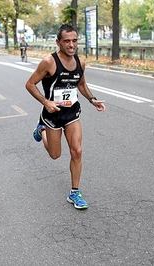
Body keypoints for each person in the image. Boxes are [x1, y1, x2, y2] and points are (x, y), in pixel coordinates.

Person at [25, 23, 106, 210]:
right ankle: (41, 129)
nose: (71, 44)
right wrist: (46, 102)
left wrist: (92, 99)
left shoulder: (81, 62)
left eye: (74, 40)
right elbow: (30, 84)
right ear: (58, 42)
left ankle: (74, 192)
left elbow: (82, 84)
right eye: (67, 41)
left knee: (77, 150)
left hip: (71, 113)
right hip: (52, 114)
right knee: (55, 155)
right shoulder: (49, 62)